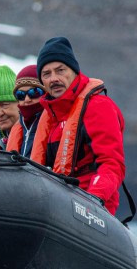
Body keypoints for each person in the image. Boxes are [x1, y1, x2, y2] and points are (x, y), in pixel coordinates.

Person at [30, 36, 127, 215]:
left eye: (60, 70)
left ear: (74, 71)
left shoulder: (98, 106)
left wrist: (92, 201)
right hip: (58, 207)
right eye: (47, 74)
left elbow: (111, 163)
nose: (54, 79)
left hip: (93, 209)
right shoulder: (49, 117)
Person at [6, 65, 46, 158]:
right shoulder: (20, 126)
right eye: (20, 95)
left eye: (34, 92)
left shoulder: (54, 124)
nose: (27, 99)